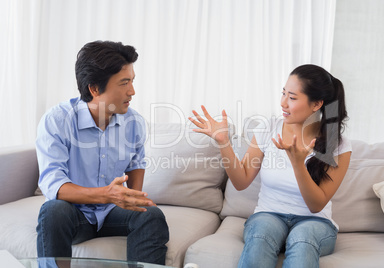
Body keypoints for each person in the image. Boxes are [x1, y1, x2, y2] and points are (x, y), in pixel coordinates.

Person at [189, 64, 351, 268]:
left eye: (292, 98)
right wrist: (223, 142)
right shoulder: (269, 127)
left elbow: (316, 205)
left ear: (316, 104)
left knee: (302, 238)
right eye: (283, 93)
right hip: (269, 215)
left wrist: (297, 163)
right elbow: (241, 181)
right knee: (262, 234)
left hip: (315, 222)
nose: (283, 103)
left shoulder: (337, 143)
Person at [36, 41, 169, 265]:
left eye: (132, 81)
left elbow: (136, 162)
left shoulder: (134, 122)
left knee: (151, 215)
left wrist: (133, 199)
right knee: (52, 211)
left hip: (111, 212)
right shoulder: (57, 120)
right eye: (124, 83)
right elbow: (53, 184)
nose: (132, 91)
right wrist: (108, 194)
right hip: (73, 212)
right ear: (94, 88)